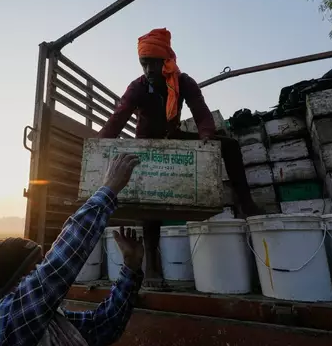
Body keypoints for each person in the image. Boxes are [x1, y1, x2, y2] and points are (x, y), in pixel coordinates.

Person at [97, 28, 259, 289]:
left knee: (228, 145)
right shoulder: (137, 87)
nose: (149, 68)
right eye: (144, 62)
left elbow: (201, 112)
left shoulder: (184, 82)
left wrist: (206, 135)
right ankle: (152, 264)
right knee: (151, 193)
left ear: (167, 60)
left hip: (172, 138)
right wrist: (100, 143)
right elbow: (118, 118)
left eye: (153, 62)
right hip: (146, 145)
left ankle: (247, 203)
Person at [0, 153, 144, 346]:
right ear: (15, 283)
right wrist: (108, 189)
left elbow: (102, 327)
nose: (41, 270)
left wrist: (130, 267)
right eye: (35, 268)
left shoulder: (41, 322)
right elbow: (57, 269)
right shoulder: (3, 324)